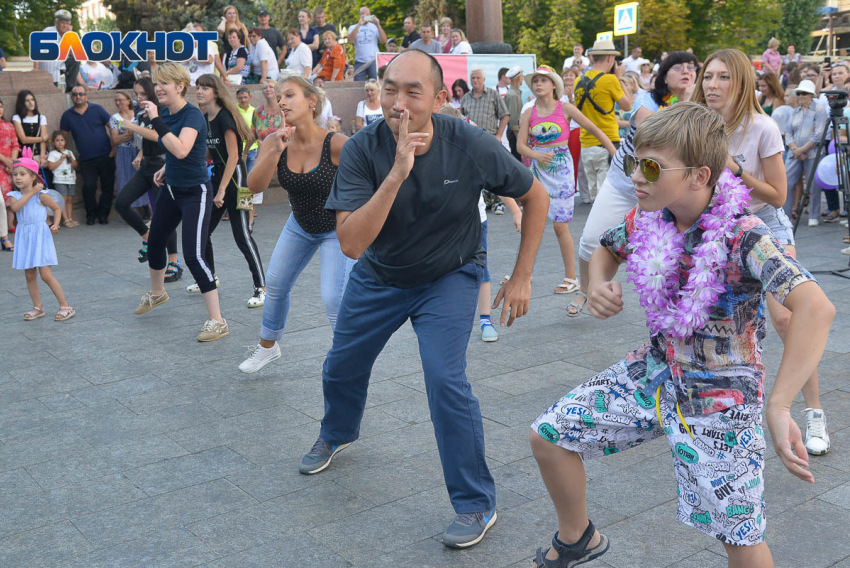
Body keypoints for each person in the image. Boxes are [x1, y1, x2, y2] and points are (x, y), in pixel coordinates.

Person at [528, 100, 835, 568]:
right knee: (549, 436)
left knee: (740, 536)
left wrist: (779, 404)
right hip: (655, 372)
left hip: (722, 400)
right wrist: (597, 284)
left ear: (699, 175)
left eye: (652, 166)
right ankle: (577, 537)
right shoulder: (650, 216)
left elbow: (816, 306)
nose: (636, 176)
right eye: (635, 161)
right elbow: (607, 250)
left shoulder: (743, 234)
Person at [297, 49, 550, 549]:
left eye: (414, 92)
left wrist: (521, 276)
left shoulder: (470, 144)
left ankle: (476, 502)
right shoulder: (362, 149)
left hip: (449, 277)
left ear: (438, 99)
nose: (399, 102)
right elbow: (350, 243)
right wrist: (396, 171)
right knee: (341, 365)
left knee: (444, 379)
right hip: (380, 275)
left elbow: (535, 196)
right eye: (391, 88)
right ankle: (338, 429)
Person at [695, 49, 830, 457]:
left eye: (722, 78)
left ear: (740, 84)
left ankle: (813, 412)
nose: (712, 85)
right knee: (713, 320)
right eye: (708, 77)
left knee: (789, 316)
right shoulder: (696, 125)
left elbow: (777, 194)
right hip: (716, 227)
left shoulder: (762, 126)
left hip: (764, 223)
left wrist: (734, 169)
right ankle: (714, 409)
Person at [239, 74, 356, 373]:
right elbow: (253, 186)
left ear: (311, 101)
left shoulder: (336, 143)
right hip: (300, 225)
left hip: (334, 229)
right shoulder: (274, 140)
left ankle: (349, 358)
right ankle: (268, 347)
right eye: (280, 96)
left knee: (334, 298)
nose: (281, 101)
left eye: (289, 95)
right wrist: (276, 150)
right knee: (275, 285)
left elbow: (367, 179)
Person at [576, 51, 698, 317]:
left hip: (666, 192)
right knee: (588, 242)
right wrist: (687, 104)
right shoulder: (646, 99)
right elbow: (656, 132)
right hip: (625, 181)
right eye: (679, 67)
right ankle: (586, 289)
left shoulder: (701, 109)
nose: (687, 71)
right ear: (664, 75)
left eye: (692, 67)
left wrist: (691, 103)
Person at [132, 63, 227, 341]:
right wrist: (166, 169)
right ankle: (158, 293)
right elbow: (173, 152)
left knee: (193, 255)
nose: (159, 88)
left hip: (195, 193)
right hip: (172, 189)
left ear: (180, 87)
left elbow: (183, 149)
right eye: (157, 83)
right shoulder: (164, 113)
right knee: (155, 241)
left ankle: (218, 320)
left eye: (165, 83)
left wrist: (155, 121)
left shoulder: (192, 114)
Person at [517, 65, 615, 297]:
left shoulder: (566, 108)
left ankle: (571, 277)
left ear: (554, 85)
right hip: (539, 168)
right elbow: (520, 145)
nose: (539, 84)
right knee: (531, 224)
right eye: (536, 80)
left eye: (544, 80)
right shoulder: (527, 113)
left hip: (561, 168)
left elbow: (594, 128)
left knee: (560, 225)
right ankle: (522, 274)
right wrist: (537, 155)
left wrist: (614, 151)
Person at [194, 74, 265, 308]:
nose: (200, 91)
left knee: (243, 235)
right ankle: (210, 277)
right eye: (198, 87)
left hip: (239, 184)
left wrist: (222, 191)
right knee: (202, 232)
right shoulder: (206, 117)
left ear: (215, 92)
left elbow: (234, 157)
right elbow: (209, 153)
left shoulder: (224, 117)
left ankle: (261, 288)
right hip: (218, 180)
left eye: (205, 88)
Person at [118, 77, 182, 281]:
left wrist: (131, 126)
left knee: (164, 215)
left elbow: (157, 136)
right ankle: (148, 237)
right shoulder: (142, 113)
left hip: (162, 166)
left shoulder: (161, 111)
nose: (138, 98)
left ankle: (173, 262)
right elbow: (146, 142)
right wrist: (140, 155)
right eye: (136, 94)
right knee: (121, 203)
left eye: (142, 94)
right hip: (146, 166)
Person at [9, 148, 74, 321]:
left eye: (22, 174)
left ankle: (65, 306)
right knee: (29, 274)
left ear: (33, 177)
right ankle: (38, 307)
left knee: (45, 275)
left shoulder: (42, 195)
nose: (17, 178)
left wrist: (56, 223)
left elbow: (56, 208)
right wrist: (32, 191)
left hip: (40, 236)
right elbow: (16, 208)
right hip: (24, 236)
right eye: (15, 174)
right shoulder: (13, 195)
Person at [573, 39, 632, 202]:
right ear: (609, 58)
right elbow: (627, 105)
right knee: (608, 197)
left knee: (595, 197)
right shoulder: (610, 80)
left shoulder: (579, 80)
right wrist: (619, 77)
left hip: (586, 144)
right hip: (607, 143)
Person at [60, 87, 115, 226]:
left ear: (86, 96)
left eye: (81, 94)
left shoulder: (98, 109)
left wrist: (115, 148)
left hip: (105, 155)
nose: (78, 96)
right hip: (86, 159)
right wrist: (68, 157)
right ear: (72, 97)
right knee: (89, 187)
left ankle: (103, 215)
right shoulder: (67, 115)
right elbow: (62, 138)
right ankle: (91, 215)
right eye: (75, 94)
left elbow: (112, 126)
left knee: (107, 187)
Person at [782, 80, 828, 227]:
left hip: (813, 153)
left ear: (811, 95)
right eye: (799, 93)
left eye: (804, 93)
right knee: (787, 183)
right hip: (794, 153)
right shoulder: (794, 111)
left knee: (813, 185)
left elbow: (818, 134)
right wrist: (796, 150)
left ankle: (813, 215)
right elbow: (788, 133)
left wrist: (801, 150)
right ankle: (785, 216)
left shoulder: (819, 110)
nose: (800, 95)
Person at [111, 91, 150, 220]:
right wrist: (133, 133)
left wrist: (131, 133)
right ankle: (130, 212)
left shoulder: (138, 115)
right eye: (116, 100)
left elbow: (144, 135)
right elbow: (115, 140)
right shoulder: (115, 118)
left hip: (139, 151)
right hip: (124, 153)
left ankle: (147, 209)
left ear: (128, 101)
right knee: (125, 180)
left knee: (143, 180)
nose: (118, 103)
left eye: (120, 100)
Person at [34, 10, 80, 92]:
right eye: (62, 23)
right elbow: (36, 48)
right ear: (56, 22)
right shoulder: (48, 31)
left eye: (67, 23)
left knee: (76, 60)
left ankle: (70, 88)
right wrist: (36, 69)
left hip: (61, 66)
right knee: (51, 90)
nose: (65, 26)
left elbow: (74, 54)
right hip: (48, 67)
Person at [12, 91, 48, 186]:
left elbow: (44, 141)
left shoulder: (41, 117)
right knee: (27, 184)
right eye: (27, 100)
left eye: (32, 99)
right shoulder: (17, 118)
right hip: (24, 156)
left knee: (41, 184)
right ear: (22, 103)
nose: (31, 102)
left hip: (38, 155)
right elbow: (23, 139)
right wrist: (42, 138)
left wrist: (43, 156)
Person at [0, 97, 20, 250]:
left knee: (7, 200)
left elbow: (15, 144)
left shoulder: (8, 125)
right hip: (3, 164)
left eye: (1, 106)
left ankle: (7, 230)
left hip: (8, 168)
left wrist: (11, 162)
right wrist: (6, 160)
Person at [46, 131, 77, 228]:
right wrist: (61, 159)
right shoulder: (53, 153)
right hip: (60, 180)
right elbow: (50, 167)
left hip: (71, 179)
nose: (60, 143)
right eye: (57, 140)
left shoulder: (70, 152)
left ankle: (70, 217)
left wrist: (71, 158)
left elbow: (76, 165)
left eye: (62, 140)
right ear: (53, 142)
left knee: (70, 199)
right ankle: (65, 219)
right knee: (63, 200)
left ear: (65, 141)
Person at [348, 7, 387, 81]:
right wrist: (359, 24)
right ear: (359, 15)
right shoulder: (353, 27)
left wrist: (378, 25)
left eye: (368, 15)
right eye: (363, 14)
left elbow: (384, 40)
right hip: (360, 60)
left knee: (376, 83)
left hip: (373, 60)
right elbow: (350, 39)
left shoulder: (374, 27)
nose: (366, 16)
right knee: (358, 85)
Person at [504, 66, 524, 160]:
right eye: (522, 76)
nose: (523, 79)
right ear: (518, 78)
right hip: (515, 134)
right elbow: (513, 120)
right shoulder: (512, 95)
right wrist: (518, 137)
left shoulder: (514, 93)